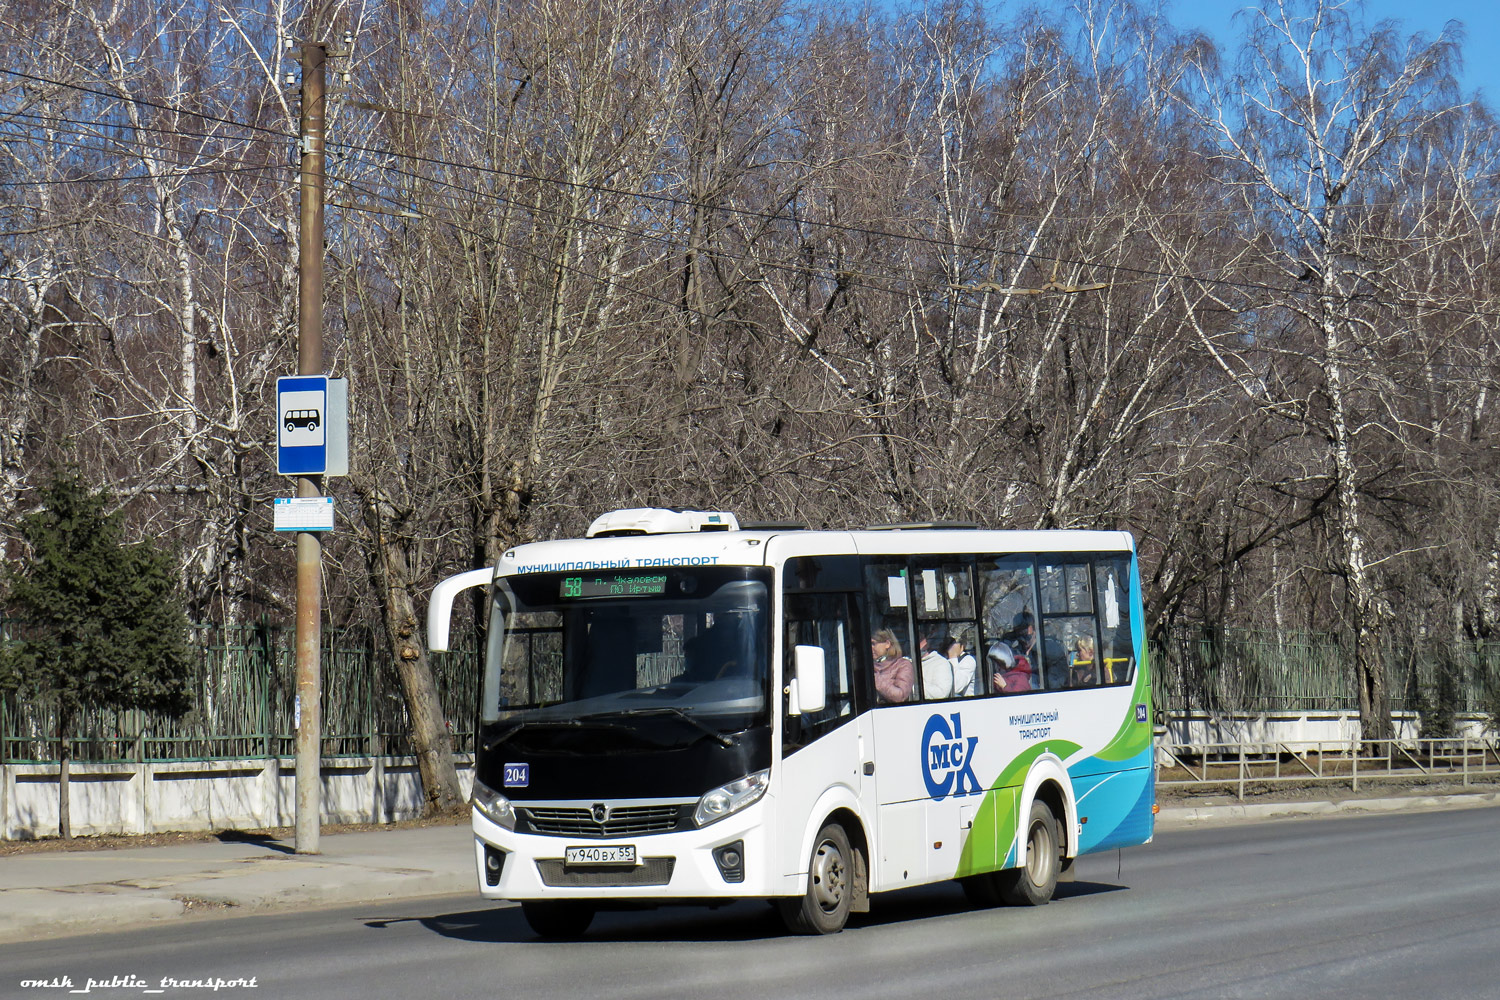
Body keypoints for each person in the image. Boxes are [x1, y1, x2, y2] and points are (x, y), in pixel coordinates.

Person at [871, 629, 914, 703]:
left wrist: (876, 680)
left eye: (873, 644)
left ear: (887, 644)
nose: (870, 648)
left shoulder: (903, 665)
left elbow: (900, 696)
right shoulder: (869, 666)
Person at [919, 633, 953, 700]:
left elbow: (941, 693)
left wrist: (913, 686)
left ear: (927, 642)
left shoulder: (940, 663)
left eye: (919, 639)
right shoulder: (906, 661)